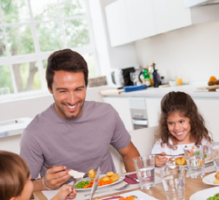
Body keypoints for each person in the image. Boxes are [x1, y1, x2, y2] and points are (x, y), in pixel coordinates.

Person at [20, 49, 141, 191]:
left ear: (86, 85)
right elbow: (22, 192)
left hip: (109, 198)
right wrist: (44, 183)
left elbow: (129, 154)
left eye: (78, 89)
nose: (72, 100)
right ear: (50, 89)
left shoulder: (106, 114)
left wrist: (137, 189)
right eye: (63, 91)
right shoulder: (34, 133)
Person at [152, 91, 214, 167]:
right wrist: (155, 161)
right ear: (165, 123)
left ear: (192, 119)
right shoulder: (162, 146)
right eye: (171, 123)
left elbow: (216, 155)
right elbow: (150, 164)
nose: (177, 128)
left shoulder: (202, 141)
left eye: (181, 121)